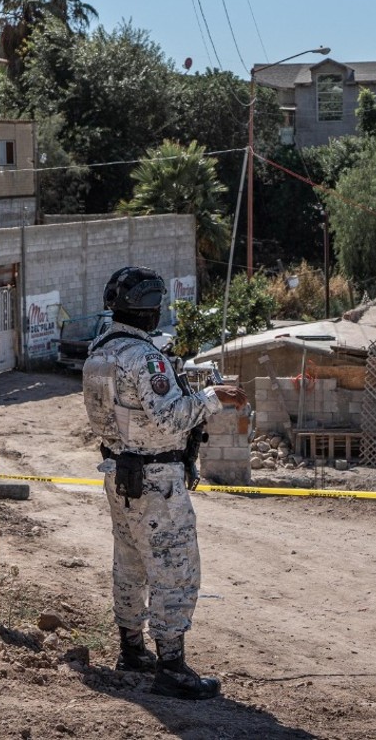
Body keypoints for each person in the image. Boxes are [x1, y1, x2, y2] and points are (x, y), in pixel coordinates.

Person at [81, 266, 248, 700]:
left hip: (119, 472)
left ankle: (132, 649)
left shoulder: (99, 351)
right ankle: (171, 667)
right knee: (174, 569)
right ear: (149, 309)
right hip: (156, 478)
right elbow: (171, 416)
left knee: (130, 563)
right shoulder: (145, 358)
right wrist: (213, 399)